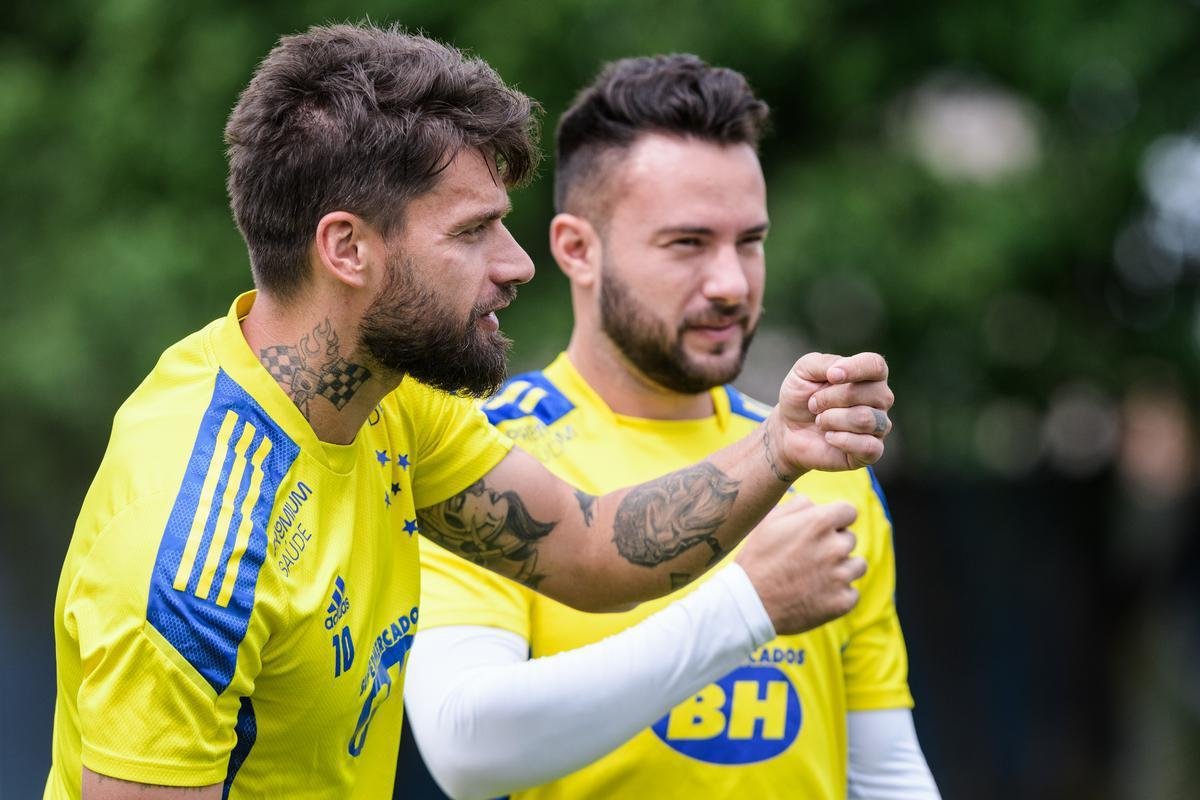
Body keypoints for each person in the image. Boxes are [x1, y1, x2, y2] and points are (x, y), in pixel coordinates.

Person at [43, 25, 895, 800]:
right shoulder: (194, 548)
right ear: (347, 248)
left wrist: (777, 447)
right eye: (472, 231)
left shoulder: (391, 399)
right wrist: (744, 607)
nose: (517, 264)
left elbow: (589, 546)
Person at [404, 54, 939, 800]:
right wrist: (745, 607)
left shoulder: (824, 460)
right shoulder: (482, 457)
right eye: (687, 243)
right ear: (577, 249)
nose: (731, 284)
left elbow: (882, 772)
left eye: (749, 241)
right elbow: (468, 749)